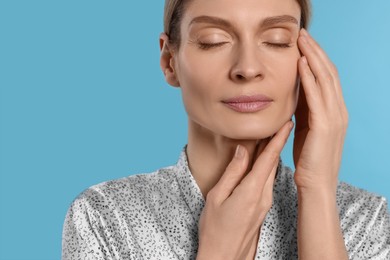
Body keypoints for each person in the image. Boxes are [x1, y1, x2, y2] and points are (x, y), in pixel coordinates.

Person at [62, 0, 390, 259]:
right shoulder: (106, 216)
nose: (247, 68)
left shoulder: (364, 217)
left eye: (276, 41)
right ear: (169, 61)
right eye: (213, 41)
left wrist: (318, 191)